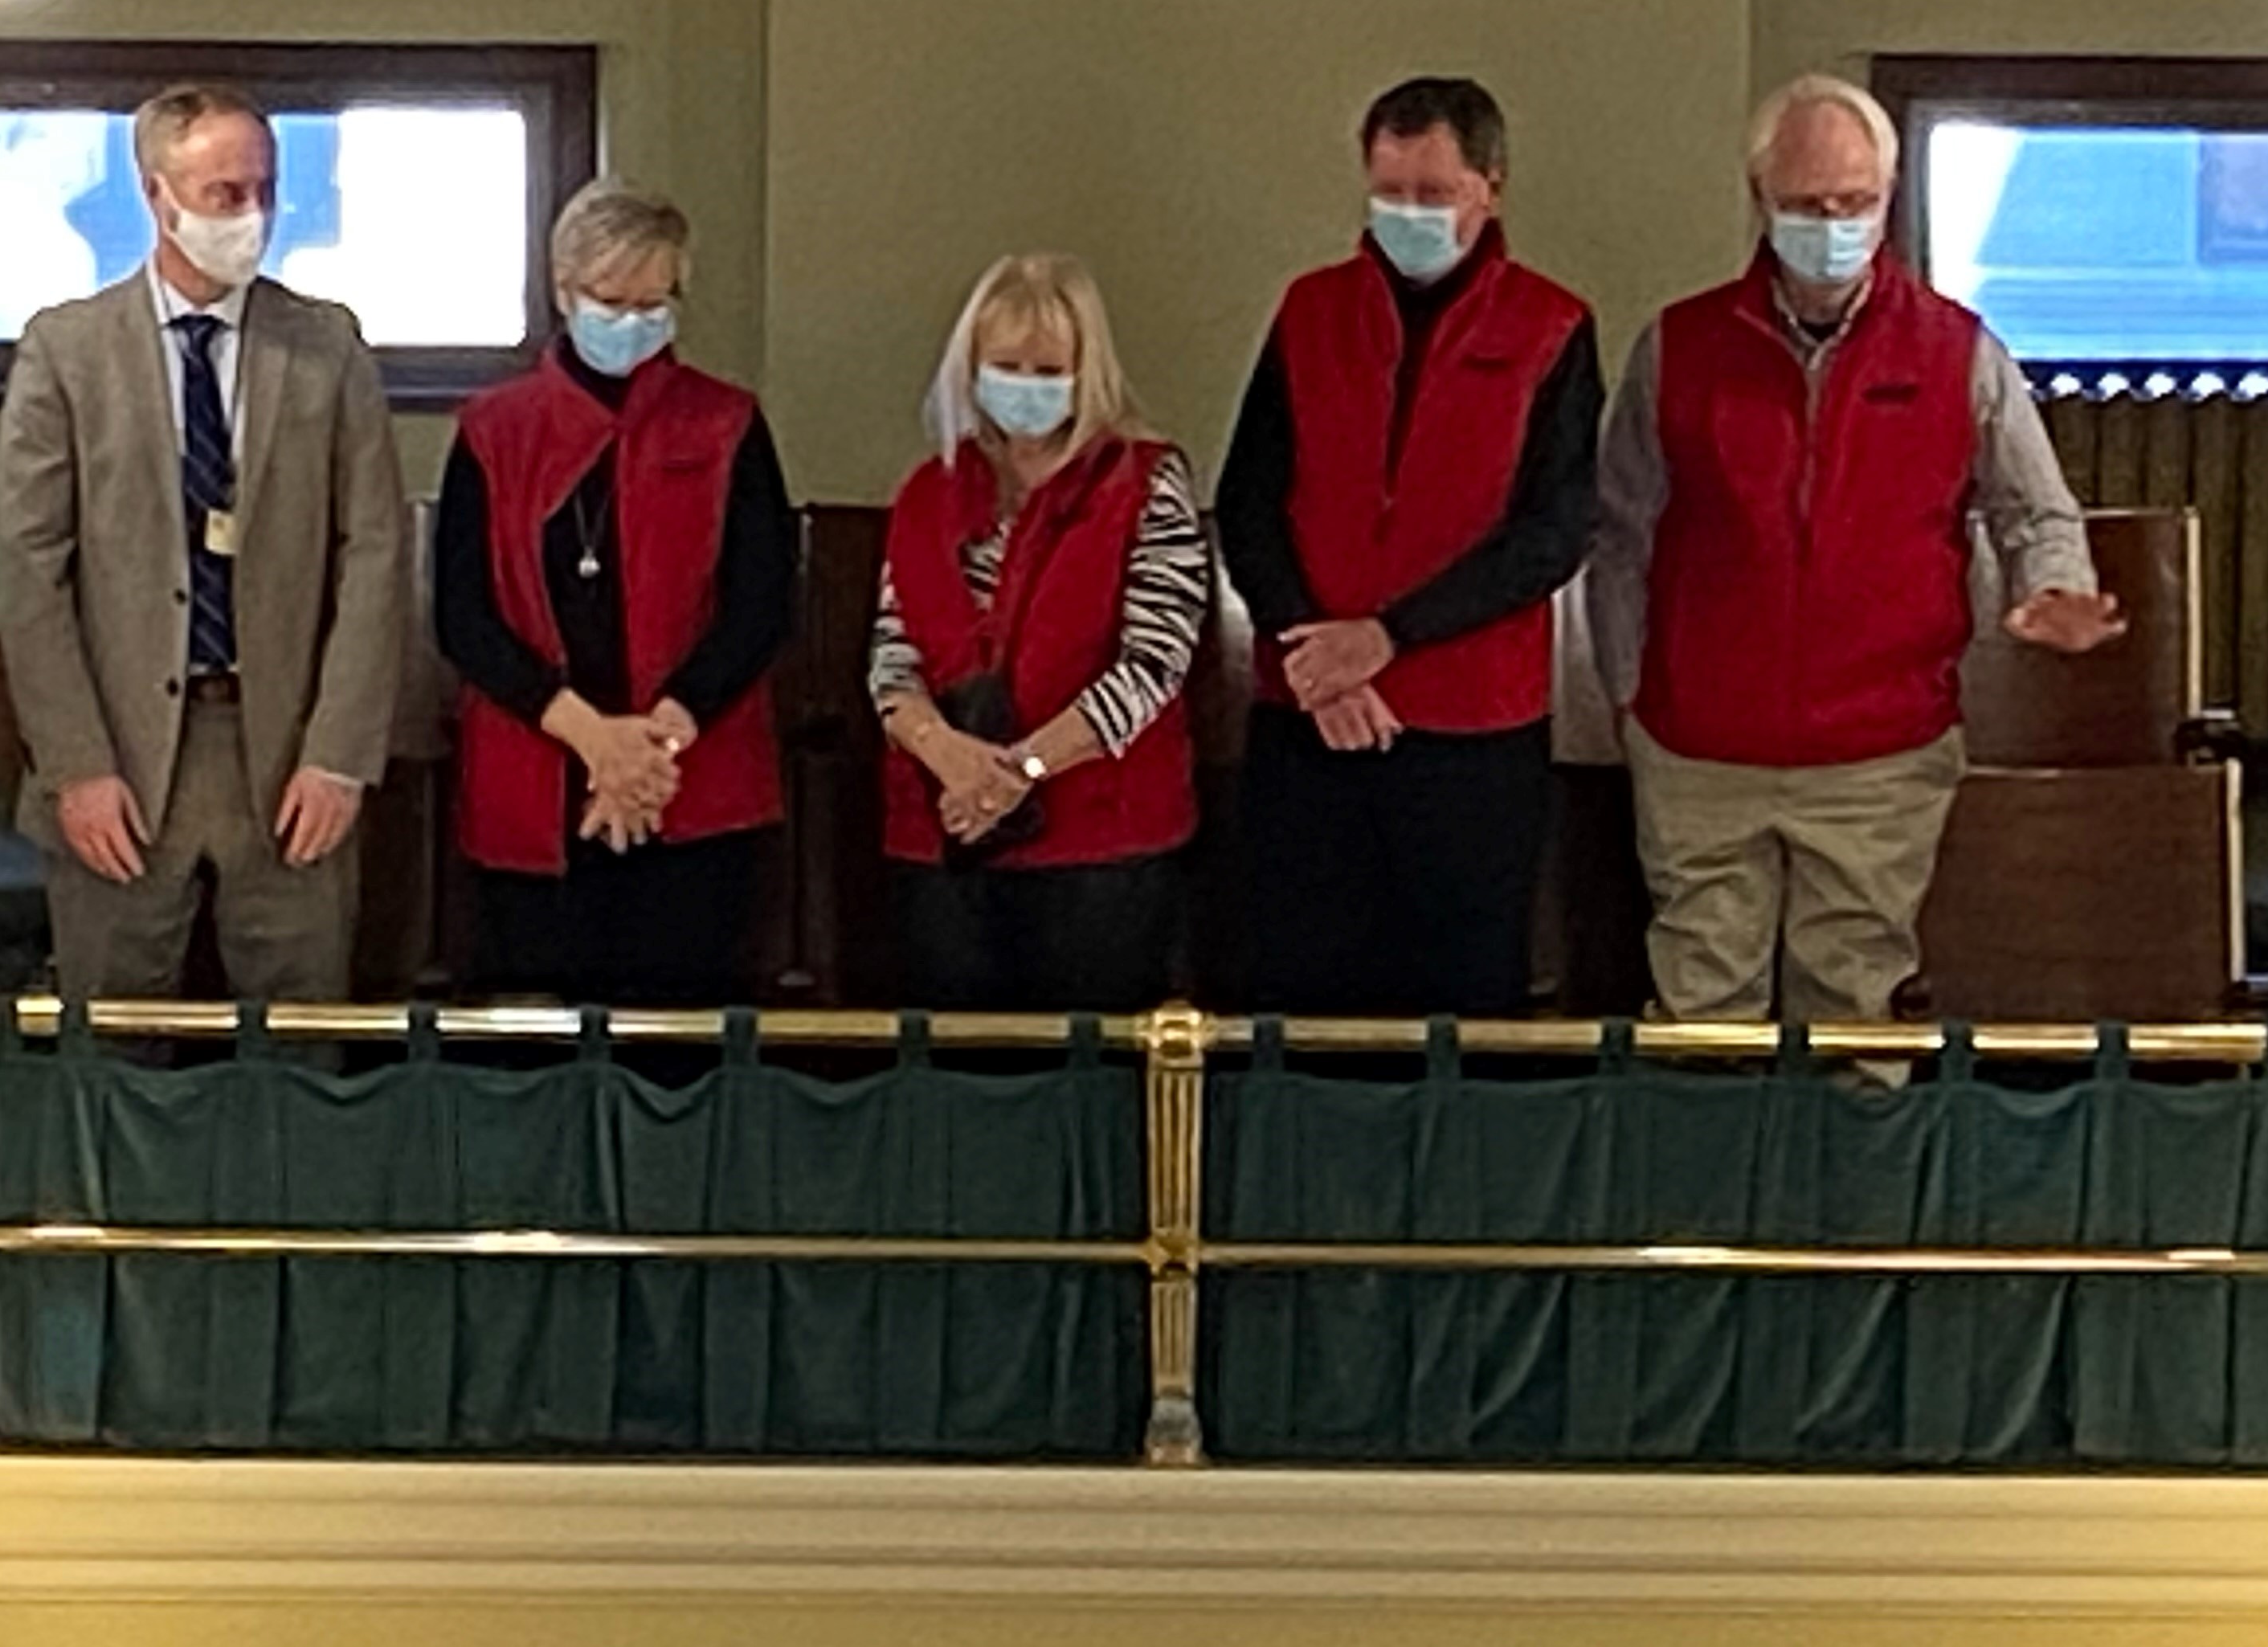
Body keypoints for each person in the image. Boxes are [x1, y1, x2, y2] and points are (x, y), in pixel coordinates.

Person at [1587, 72, 2124, 1028]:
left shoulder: (1959, 352)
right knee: (1704, 1014)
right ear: (1760, 200)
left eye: (1855, 204)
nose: (1831, 224)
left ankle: (1853, 1179)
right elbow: (1622, 530)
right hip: (1699, 748)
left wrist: (2057, 586)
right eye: (1805, 205)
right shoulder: (1679, 347)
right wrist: (1632, 693)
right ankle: (1714, 1183)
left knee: (1854, 1016)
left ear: (1888, 197)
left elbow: (2034, 510)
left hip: (1881, 754)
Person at [0, 82, 409, 1001]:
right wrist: (77, 765)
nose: (250, 214)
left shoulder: (326, 346)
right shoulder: (67, 351)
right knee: (109, 1051)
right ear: (156, 195)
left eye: (264, 189)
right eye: (225, 193)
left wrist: (339, 751)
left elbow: (376, 556)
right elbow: (32, 575)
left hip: (287, 752)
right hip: (123, 755)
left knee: (300, 1046)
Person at [1214, 76, 1602, 1016]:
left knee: (1463, 1003)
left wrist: (1389, 637)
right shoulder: (1310, 310)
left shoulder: (1552, 326)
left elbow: (1553, 533)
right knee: (1295, 993)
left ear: (1490, 188)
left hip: (1471, 735)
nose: (1409, 215)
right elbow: (1248, 500)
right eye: (1390, 193)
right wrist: (1320, 654)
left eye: (1434, 195)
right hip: (1308, 712)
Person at [433, 185, 793, 1006]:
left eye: (653, 302)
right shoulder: (495, 427)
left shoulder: (726, 420)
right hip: (537, 772)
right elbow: (463, 617)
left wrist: (654, 744)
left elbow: (763, 603)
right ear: (564, 291)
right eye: (610, 301)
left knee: (685, 1045)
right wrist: (597, 742)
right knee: (537, 1055)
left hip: (692, 780)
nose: (632, 322)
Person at [872, 255, 1208, 1010]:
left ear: (1087, 373)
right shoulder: (929, 491)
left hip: (1102, 846)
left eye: (1048, 367)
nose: (1026, 383)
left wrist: (1017, 774)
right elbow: (892, 660)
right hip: (942, 837)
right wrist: (951, 758)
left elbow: (1153, 665)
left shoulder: (1146, 482)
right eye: (1007, 365)